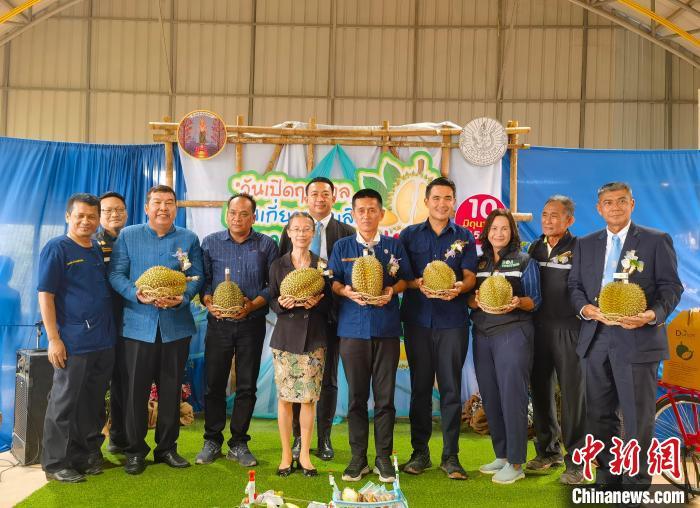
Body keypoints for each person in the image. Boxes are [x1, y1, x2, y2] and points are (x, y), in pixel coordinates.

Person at [569, 182, 682, 491]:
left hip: (638, 339)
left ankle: (635, 485)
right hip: (596, 338)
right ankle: (608, 479)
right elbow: (575, 287)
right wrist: (587, 310)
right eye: (608, 202)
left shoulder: (656, 241)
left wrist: (651, 315)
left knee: (636, 417)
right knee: (599, 415)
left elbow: (671, 287)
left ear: (632, 204)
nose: (615, 207)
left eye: (621, 201)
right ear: (599, 209)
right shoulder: (585, 244)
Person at [109, 185, 204, 475]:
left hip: (176, 327)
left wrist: (183, 298)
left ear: (176, 207)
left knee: (171, 390)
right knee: (135, 392)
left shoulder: (188, 238)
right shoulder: (129, 235)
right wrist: (136, 295)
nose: (163, 207)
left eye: (169, 202)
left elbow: (196, 277)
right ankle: (135, 451)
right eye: (157, 202)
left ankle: (167, 448)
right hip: (138, 326)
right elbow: (116, 274)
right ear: (147, 207)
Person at [328, 188, 413, 484]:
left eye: (372, 210)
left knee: (385, 399)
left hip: (386, 330)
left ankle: (383, 458)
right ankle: (358, 458)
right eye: (361, 210)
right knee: (356, 398)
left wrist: (391, 290)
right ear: (353, 214)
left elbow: (405, 279)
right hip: (352, 331)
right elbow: (334, 281)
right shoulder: (342, 246)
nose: (366, 215)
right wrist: (345, 291)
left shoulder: (394, 246)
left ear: (381, 213)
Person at [398, 177, 477, 480]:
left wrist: (459, 287)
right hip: (417, 320)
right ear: (426, 202)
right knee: (419, 388)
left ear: (454, 202)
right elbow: (402, 278)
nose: (442, 204)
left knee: (450, 388)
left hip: (452, 321)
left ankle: (451, 456)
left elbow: (470, 276)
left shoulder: (464, 236)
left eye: (447, 198)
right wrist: (416, 283)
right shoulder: (409, 235)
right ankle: (419, 453)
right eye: (436, 198)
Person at [195, 193, 279, 467]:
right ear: (226, 214)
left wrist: (252, 305)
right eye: (233, 212)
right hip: (219, 324)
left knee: (246, 385)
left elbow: (273, 285)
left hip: (251, 323)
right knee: (214, 383)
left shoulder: (267, 245)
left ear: (253, 217)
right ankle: (212, 440)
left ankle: (239, 442)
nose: (237, 218)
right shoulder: (210, 243)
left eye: (244, 214)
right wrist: (209, 302)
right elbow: (204, 282)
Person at [39, 193, 116, 482]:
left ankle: (85, 455)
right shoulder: (57, 248)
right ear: (68, 216)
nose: (86, 221)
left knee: (93, 403)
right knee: (63, 402)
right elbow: (46, 295)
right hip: (72, 341)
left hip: (103, 340)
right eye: (80, 216)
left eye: (91, 216)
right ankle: (55, 463)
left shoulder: (96, 248)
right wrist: (54, 339)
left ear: (98, 219)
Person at [278, 176, 354, 461]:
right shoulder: (292, 229)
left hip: (333, 315)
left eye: (325, 194)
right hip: (296, 319)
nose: (319, 198)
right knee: (298, 379)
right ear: (306, 197)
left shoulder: (346, 232)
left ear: (334, 197)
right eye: (314, 194)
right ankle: (299, 438)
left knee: (328, 379)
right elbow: (282, 270)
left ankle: (324, 438)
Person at [468, 209, 541, 485]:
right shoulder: (480, 262)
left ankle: (517, 462)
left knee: (513, 396)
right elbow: (470, 299)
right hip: (482, 333)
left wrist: (517, 302)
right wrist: (475, 300)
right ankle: (501, 454)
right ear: (487, 232)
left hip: (513, 332)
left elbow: (535, 299)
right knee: (491, 395)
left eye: (504, 228)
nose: (499, 233)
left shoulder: (524, 261)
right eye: (494, 228)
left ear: (512, 233)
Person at [526, 195, 585, 484]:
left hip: (570, 330)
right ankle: (548, 452)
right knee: (540, 391)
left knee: (573, 396)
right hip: (538, 329)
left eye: (555, 215)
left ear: (569, 220)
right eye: (545, 215)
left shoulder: (580, 249)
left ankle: (577, 462)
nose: (548, 220)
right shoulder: (534, 248)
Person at [269, 212, 332, 477]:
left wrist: (318, 303)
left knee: (308, 399)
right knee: (285, 399)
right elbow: (271, 299)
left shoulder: (322, 265)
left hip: (314, 338)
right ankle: (286, 455)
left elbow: (331, 303)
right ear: (288, 232)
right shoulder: (278, 265)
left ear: (313, 233)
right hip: (285, 338)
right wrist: (281, 305)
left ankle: (305, 454)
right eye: (296, 229)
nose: (301, 233)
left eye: (307, 229)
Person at [96, 191, 129, 454]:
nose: (114, 214)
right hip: (99, 323)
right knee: (97, 384)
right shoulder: (91, 242)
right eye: (107, 210)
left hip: (128, 321)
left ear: (126, 213)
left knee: (123, 381)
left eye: (118, 210)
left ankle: (119, 437)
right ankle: (91, 444)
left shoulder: (132, 240)